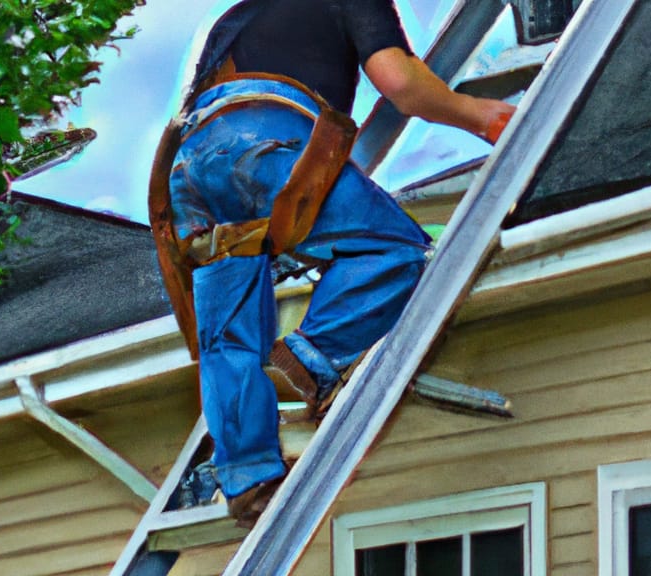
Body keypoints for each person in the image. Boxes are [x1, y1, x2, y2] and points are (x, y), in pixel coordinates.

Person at [149, 0, 516, 527]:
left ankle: (249, 479)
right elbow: (399, 83)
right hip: (264, 140)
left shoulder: (237, 18)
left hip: (189, 169)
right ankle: (310, 359)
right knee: (396, 251)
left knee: (228, 335)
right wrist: (478, 114)